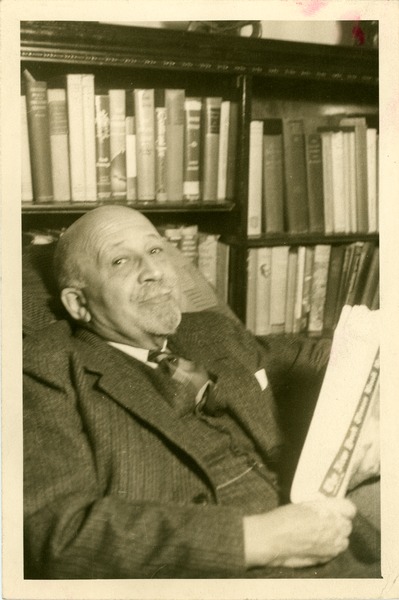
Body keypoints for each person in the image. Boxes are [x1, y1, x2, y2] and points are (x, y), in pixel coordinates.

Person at [23, 205, 380, 579]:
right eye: (120, 262)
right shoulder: (46, 368)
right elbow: (56, 530)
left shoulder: (210, 331)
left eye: (156, 250)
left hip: (345, 556)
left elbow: (318, 357)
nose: (155, 272)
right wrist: (260, 539)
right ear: (78, 303)